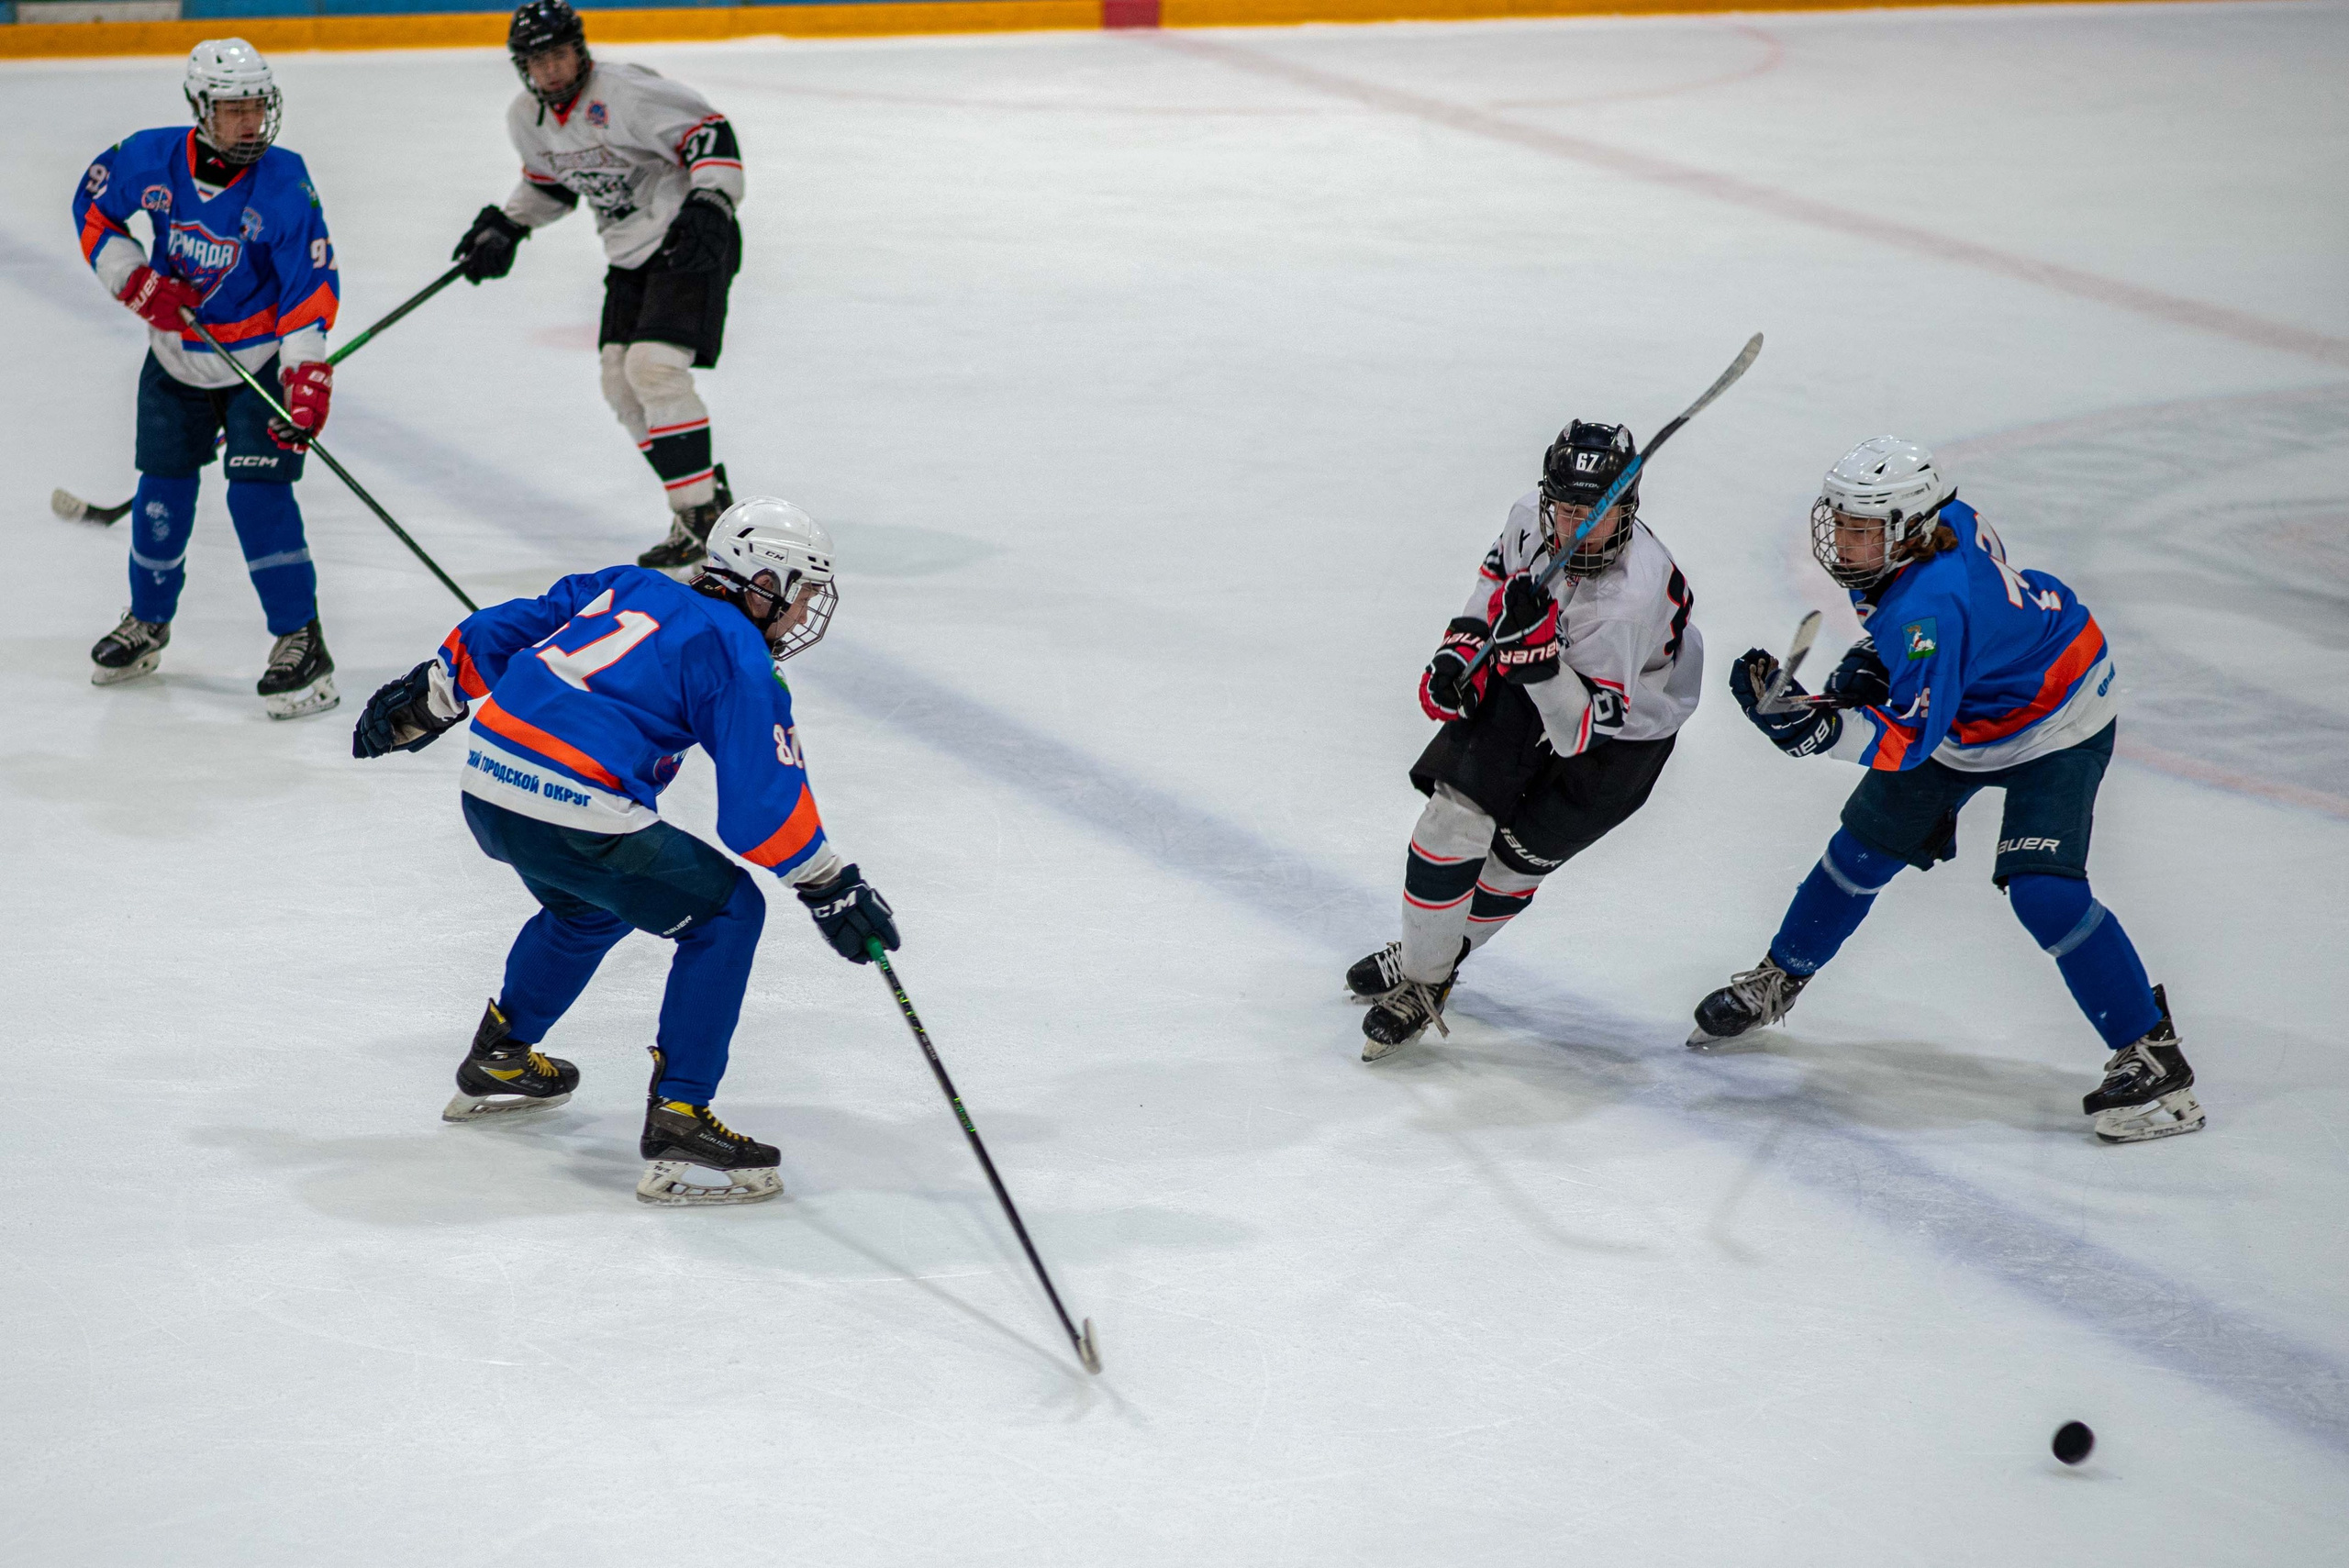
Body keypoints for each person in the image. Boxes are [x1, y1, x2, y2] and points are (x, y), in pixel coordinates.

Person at [351, 498, 899, 1205]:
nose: (801, 618)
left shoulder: (630, 584)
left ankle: (502, 1056)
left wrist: (433, 697)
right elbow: (761, 807)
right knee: (728, 911)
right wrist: (831, 885)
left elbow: (506, 626)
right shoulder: (739, 656)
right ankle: (680, 1113)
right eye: (801, 598)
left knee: (590, 908)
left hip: (488, 785)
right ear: (765, 583)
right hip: (571, 809)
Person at [1694, 436, 2203, 1144]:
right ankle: (1780, 975)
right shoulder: (1946, 523)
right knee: (1862, 852)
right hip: (1975, 704)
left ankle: (2156, 1060)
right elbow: (1942, 644)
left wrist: (1814, 731)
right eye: (1841, 521)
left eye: (1862, 529)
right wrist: (1874, 662)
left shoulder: (1929, 609)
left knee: (2045, 891)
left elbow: (1911, 738)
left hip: (2057, 716)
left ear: (1904, 529)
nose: (1843, 541)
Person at [1347, 421, 1703, 1060]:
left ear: (1627, 509)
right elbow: (1495, 579)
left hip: (1622, 735)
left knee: (1510, 865)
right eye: (1567, 510)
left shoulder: (1630, 596)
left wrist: (1538, 662)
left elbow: (1580, 731)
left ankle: (1437, 948)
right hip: (1537, 676)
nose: (1576, 529)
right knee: (1450, 822)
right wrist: (1460, 656)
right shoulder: (1527, 521)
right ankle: (1425, 976)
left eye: (1597, 513)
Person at [72, 39, 342, 717]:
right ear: (200, 108)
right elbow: (95, 205)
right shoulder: (149, 157)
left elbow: (308, 289)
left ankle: (301, 642)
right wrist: (132, 278)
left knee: (258, 500)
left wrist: (306, 376)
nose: (249, 124)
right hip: (174, 357)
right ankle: (147, 622)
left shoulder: (286, 182)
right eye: (232, 110)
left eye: (256, 107)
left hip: (255, 365)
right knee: (162, 498)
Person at [451, 0, 746, 571]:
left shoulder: (627, 92)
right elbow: (553, 185)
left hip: (687, 238)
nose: (553, 70)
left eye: (560, 54)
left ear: (580, 50)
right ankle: (703, 500)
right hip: (629, 253)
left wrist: (711, 199)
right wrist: (508, 225)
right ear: (523, 68)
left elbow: (711, 133)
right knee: (620, 384)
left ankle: (701, 517)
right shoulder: (526, 119)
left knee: (655, 368)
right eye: (539, 61)